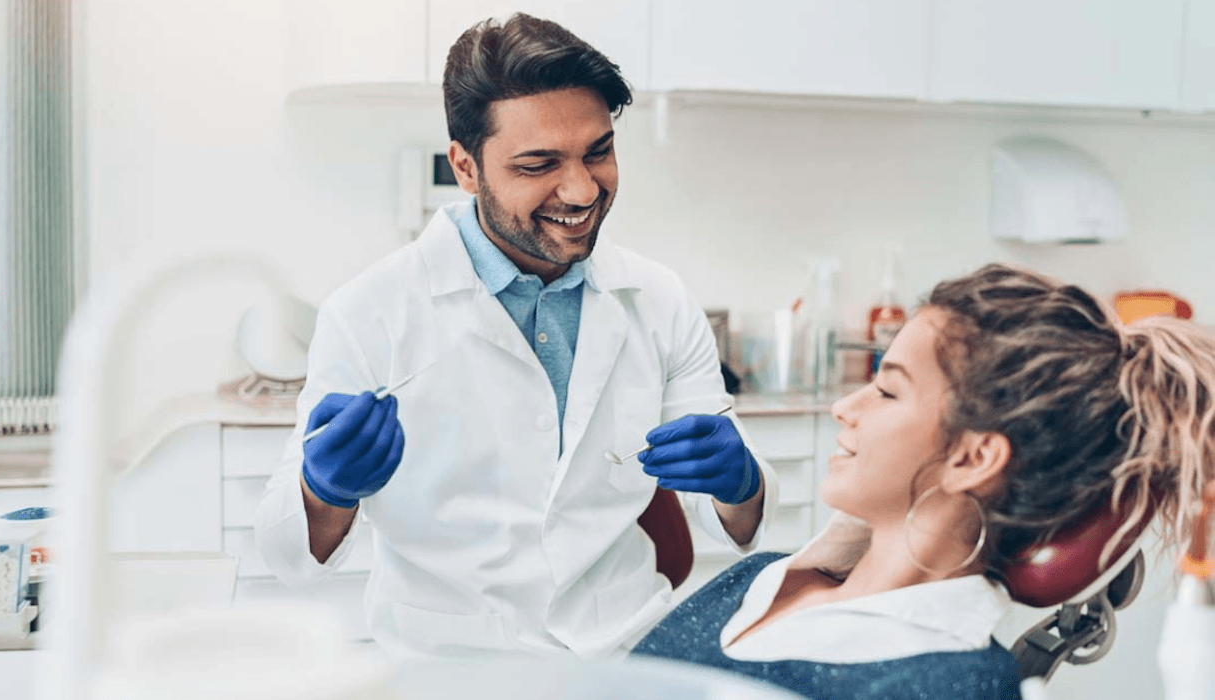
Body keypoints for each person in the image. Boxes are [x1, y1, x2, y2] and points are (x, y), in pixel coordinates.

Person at [254, 13, 778, 660]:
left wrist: (739, 481)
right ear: (466, 167)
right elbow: (286, 556)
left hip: (625, 654)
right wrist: (324, 491)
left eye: (598, 152)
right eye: (538, 164)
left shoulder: (658, 298)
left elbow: (739, 524)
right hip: (449, 665)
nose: (582, 190)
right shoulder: (369, 313)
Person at [632, 263, 1215, 700]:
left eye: (887, 390)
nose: (845, 407)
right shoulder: (757, 578)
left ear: (973, 457)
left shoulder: (950, 682)